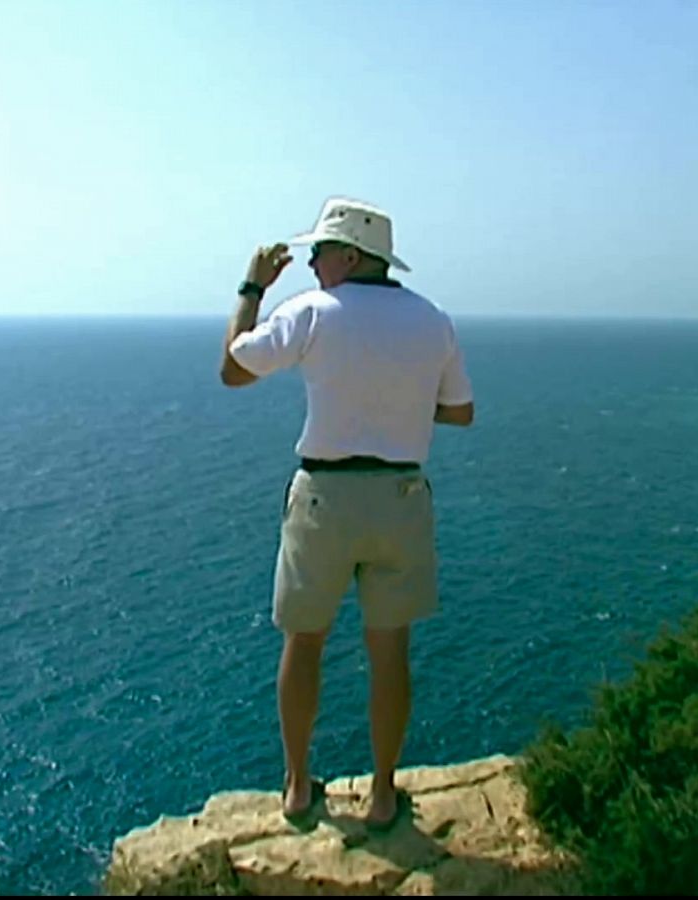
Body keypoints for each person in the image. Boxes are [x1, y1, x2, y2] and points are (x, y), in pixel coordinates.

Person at [219, 197, 475, 831]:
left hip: (326, 498)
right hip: (400, 499)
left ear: (352, 256)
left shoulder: (311, 312)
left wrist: (252, 287)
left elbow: (233, 369)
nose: (310, 262)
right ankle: (384, 792)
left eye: (320, 251)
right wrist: (405, 407)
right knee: (389, 652)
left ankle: (299, 787)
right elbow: (461, 411)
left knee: (304, 643)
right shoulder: (432, 319)